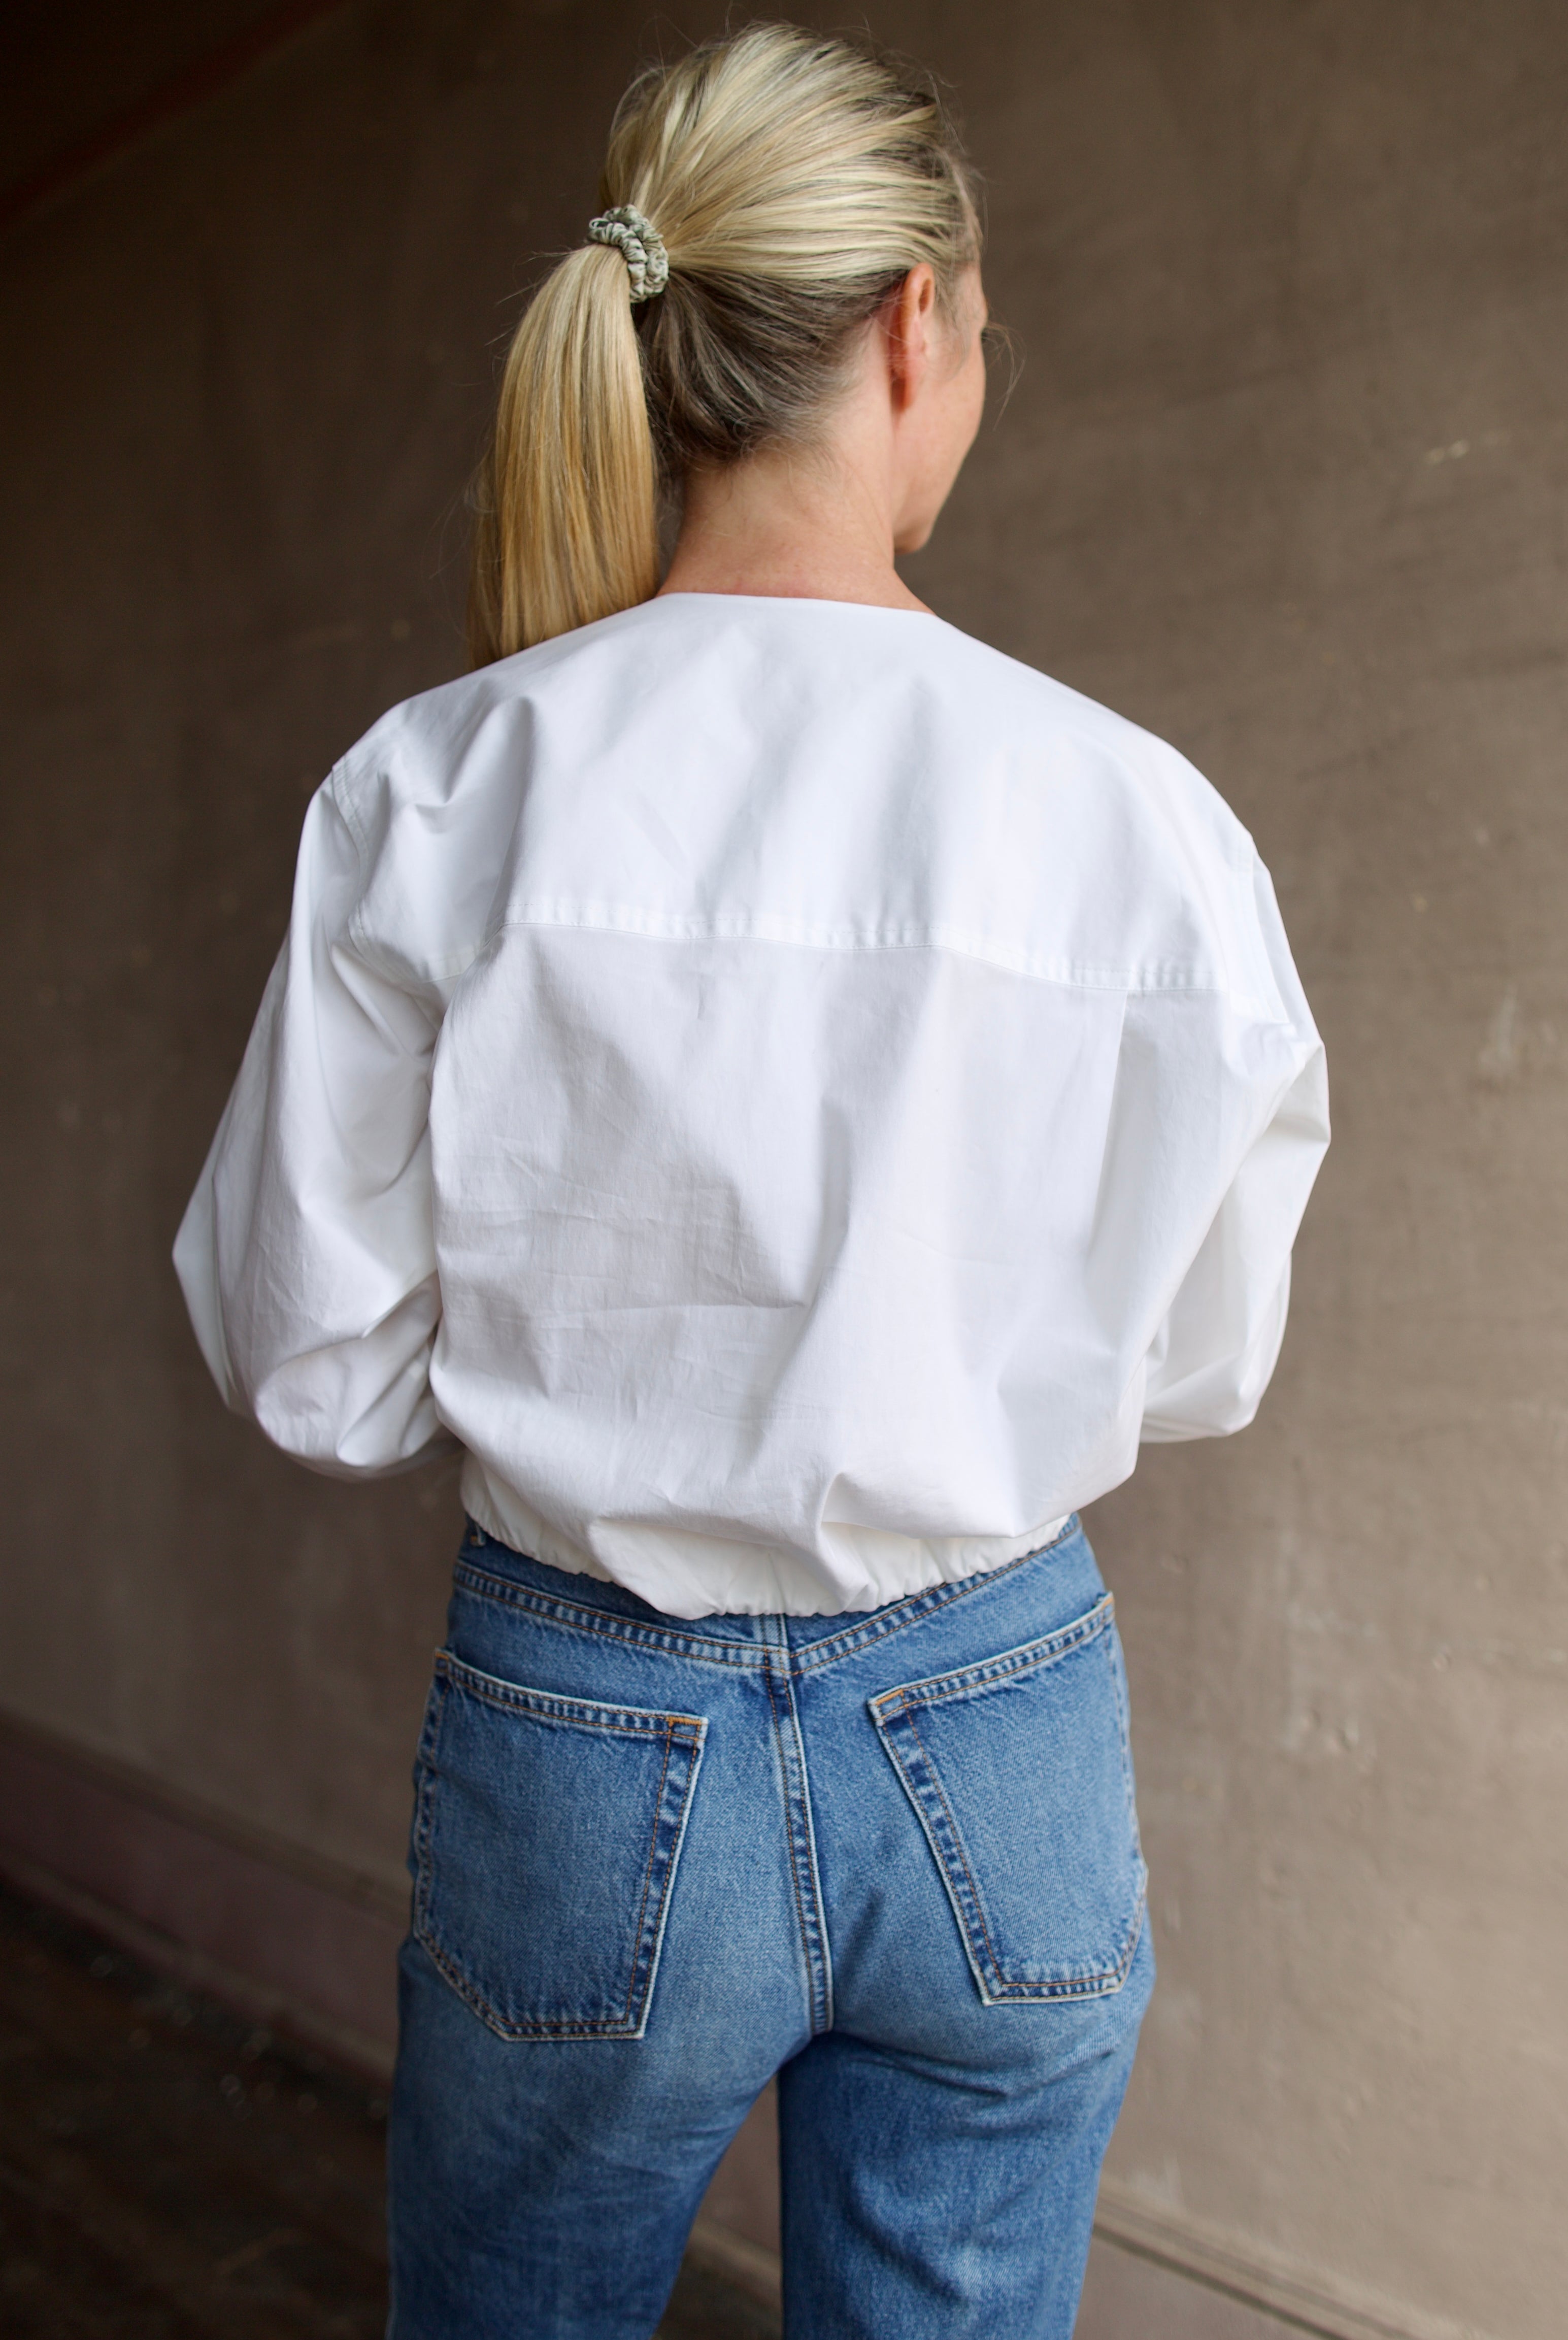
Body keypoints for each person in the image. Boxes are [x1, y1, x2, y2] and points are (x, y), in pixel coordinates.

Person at [174, 24, 1328, 2339]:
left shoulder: (438, 788)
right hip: (998, 1712)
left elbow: (302, 1351)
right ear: (917, 324)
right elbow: (1201, 1360)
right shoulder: (1140, 823)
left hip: (585, 1729)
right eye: (981, 332)